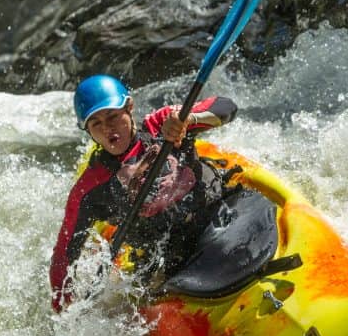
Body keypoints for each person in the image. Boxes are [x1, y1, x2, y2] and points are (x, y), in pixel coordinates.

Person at [49, 74, 238, 311]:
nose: (107, 128)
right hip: (169, 254)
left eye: (113, 116)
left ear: (129, 108)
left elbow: (227, 107)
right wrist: (63, 306)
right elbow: (64, 254)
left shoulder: (161, 124)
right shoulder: (91, 189)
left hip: (216, 212)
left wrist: (188, 120)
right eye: (96, 123)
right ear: (87, 130)